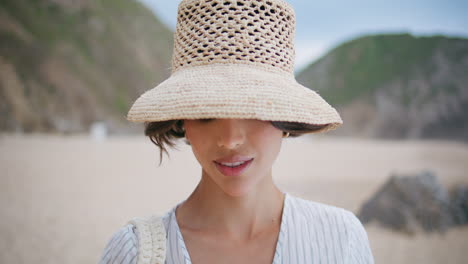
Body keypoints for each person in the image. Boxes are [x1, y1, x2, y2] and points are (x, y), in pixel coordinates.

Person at [99, 0, 374, 263]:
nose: (230, 140)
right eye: (206, 114)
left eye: (254, 110)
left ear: (285, 120)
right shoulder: (135, 252)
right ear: (182, 121)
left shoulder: (340, 239)